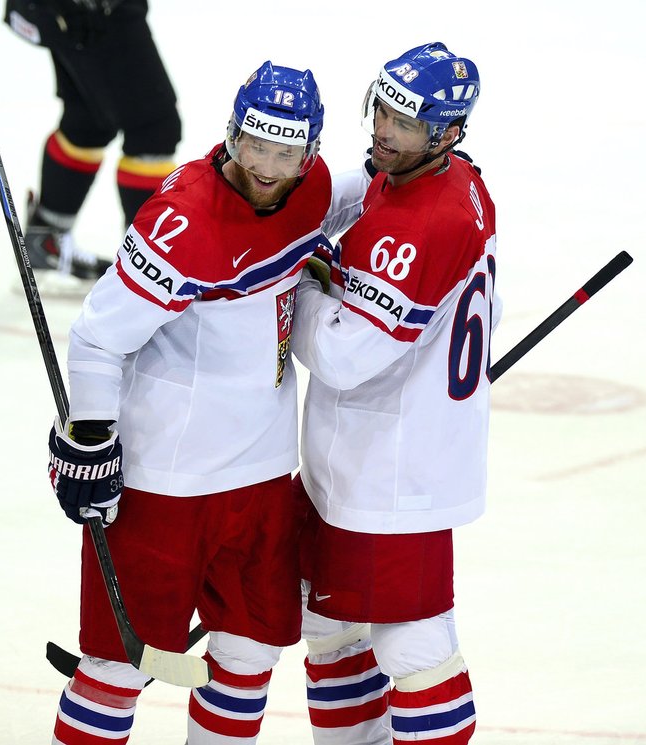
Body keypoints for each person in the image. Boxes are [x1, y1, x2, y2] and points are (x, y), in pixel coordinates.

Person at [44, 61, 339, 745]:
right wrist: (90, 437)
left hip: (263, 472)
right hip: (165, 484)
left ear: (310, 153)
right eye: (252, 145)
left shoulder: (315, 189)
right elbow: (96, 338)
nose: (265, 166)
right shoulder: (180, 225)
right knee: (116, 669)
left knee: (249, 655)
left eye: (284, 152)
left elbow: (364, 201)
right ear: (231, 134)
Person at [292, 42, 496, 744]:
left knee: (411, 646)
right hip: (366, 458)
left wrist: (304, 284)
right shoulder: (451, 179)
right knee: (331, 632)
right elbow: (371, 187)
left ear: (448, 134)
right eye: (381, 109)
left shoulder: (422, 226)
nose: (383, 129)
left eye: (404, 124)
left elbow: (345, 356)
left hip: (389, 471)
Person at [4, 0, 181, 292]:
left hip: (85, 12)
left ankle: (46, 243)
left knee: (89, 120)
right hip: (94, 12)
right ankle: (145, 267)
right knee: (153, 128)